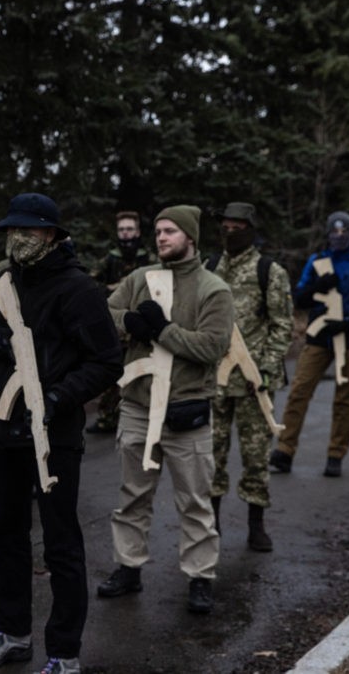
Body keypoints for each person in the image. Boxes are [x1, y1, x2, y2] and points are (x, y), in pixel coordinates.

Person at [0, 193, 122, 674]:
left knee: (60, 543)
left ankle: (64, 653)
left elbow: (106, 361)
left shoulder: (79, 291)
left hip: (52, 436)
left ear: (52, 234)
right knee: (9, 536)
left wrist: (58, 398)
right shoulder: (2, 281)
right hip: (2, 431)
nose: (18, 239)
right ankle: (12, 634)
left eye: (28, 231)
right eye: (12, 231)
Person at [97, 205, 233, 615]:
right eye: (157, 231)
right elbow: (106, 312)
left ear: (190, 236)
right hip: (139, 407)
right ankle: (128, 566)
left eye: (170, 231)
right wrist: (130, 324)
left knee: (194, 501)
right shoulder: (140, 278)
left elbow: (212, 346)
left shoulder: (214, 289)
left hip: (187, 412)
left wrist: (162, 331)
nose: (161, 237)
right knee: (132, 496)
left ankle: (200, 576)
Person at [270, 211, 349, 477]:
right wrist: (317, 287)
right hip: (319, 337)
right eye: (334, 232)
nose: (339, 237)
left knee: (344, 399)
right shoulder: (318, 261)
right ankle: (284, 451)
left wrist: (345, 324)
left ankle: (335, 454)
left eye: (344, 232)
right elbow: (299, 298)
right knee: (299, 391)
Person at [206, 203, 293, 552]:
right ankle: (209, 524)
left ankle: (256, 525)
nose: (230, 232)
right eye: (225, 225)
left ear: (250, 229)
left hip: (254, 381)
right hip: (213, 379)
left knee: (256, 456)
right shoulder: (209, 267)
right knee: (210, 453)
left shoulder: (268, 271)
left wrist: (267, 370)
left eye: (237, 226)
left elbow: (282, 325)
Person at [86, 210, 153, 435]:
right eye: (122, 230)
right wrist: (116, 287)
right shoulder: (110, 259)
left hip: (143, 328)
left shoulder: (148, 259)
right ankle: (107, 417)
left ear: (138, 231)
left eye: (129, 229)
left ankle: (145, 414)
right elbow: (91, 285)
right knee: (111, 373)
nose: (126, 234)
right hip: (115, 327)